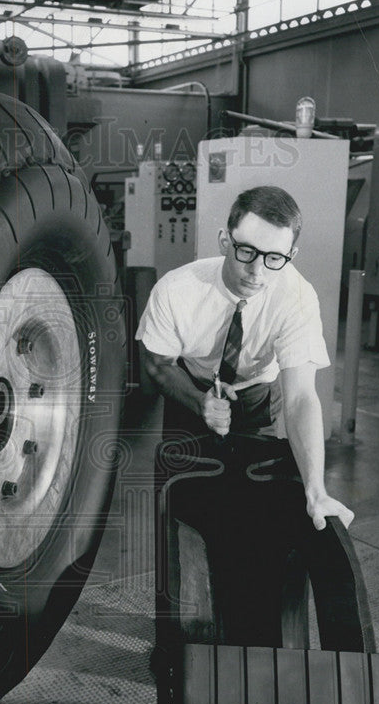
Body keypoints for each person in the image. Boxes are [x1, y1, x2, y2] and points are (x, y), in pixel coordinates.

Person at [136, 184, 353, 533]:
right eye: (246, 251)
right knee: (182, 509)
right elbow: (157, 365)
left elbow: (300, 398)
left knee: (254, 510)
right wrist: (197, 401)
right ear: (225, 240)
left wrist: (317, 491)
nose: (258, 272)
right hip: (188, 389)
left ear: (291, 254)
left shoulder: (297, 298)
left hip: (257, 396)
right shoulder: (176, 290)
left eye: (274, 258)